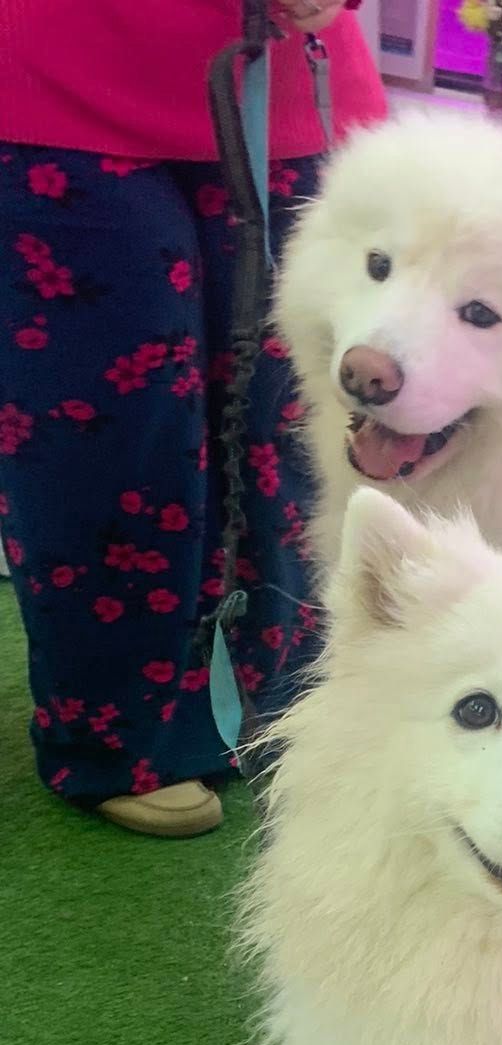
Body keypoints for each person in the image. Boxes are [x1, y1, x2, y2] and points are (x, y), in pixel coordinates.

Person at [0, 1, 387, 836]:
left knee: (294, 421)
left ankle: (275, 701)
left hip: (291, 76)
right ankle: (122, 733)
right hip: (64, 78)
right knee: (110, 433)